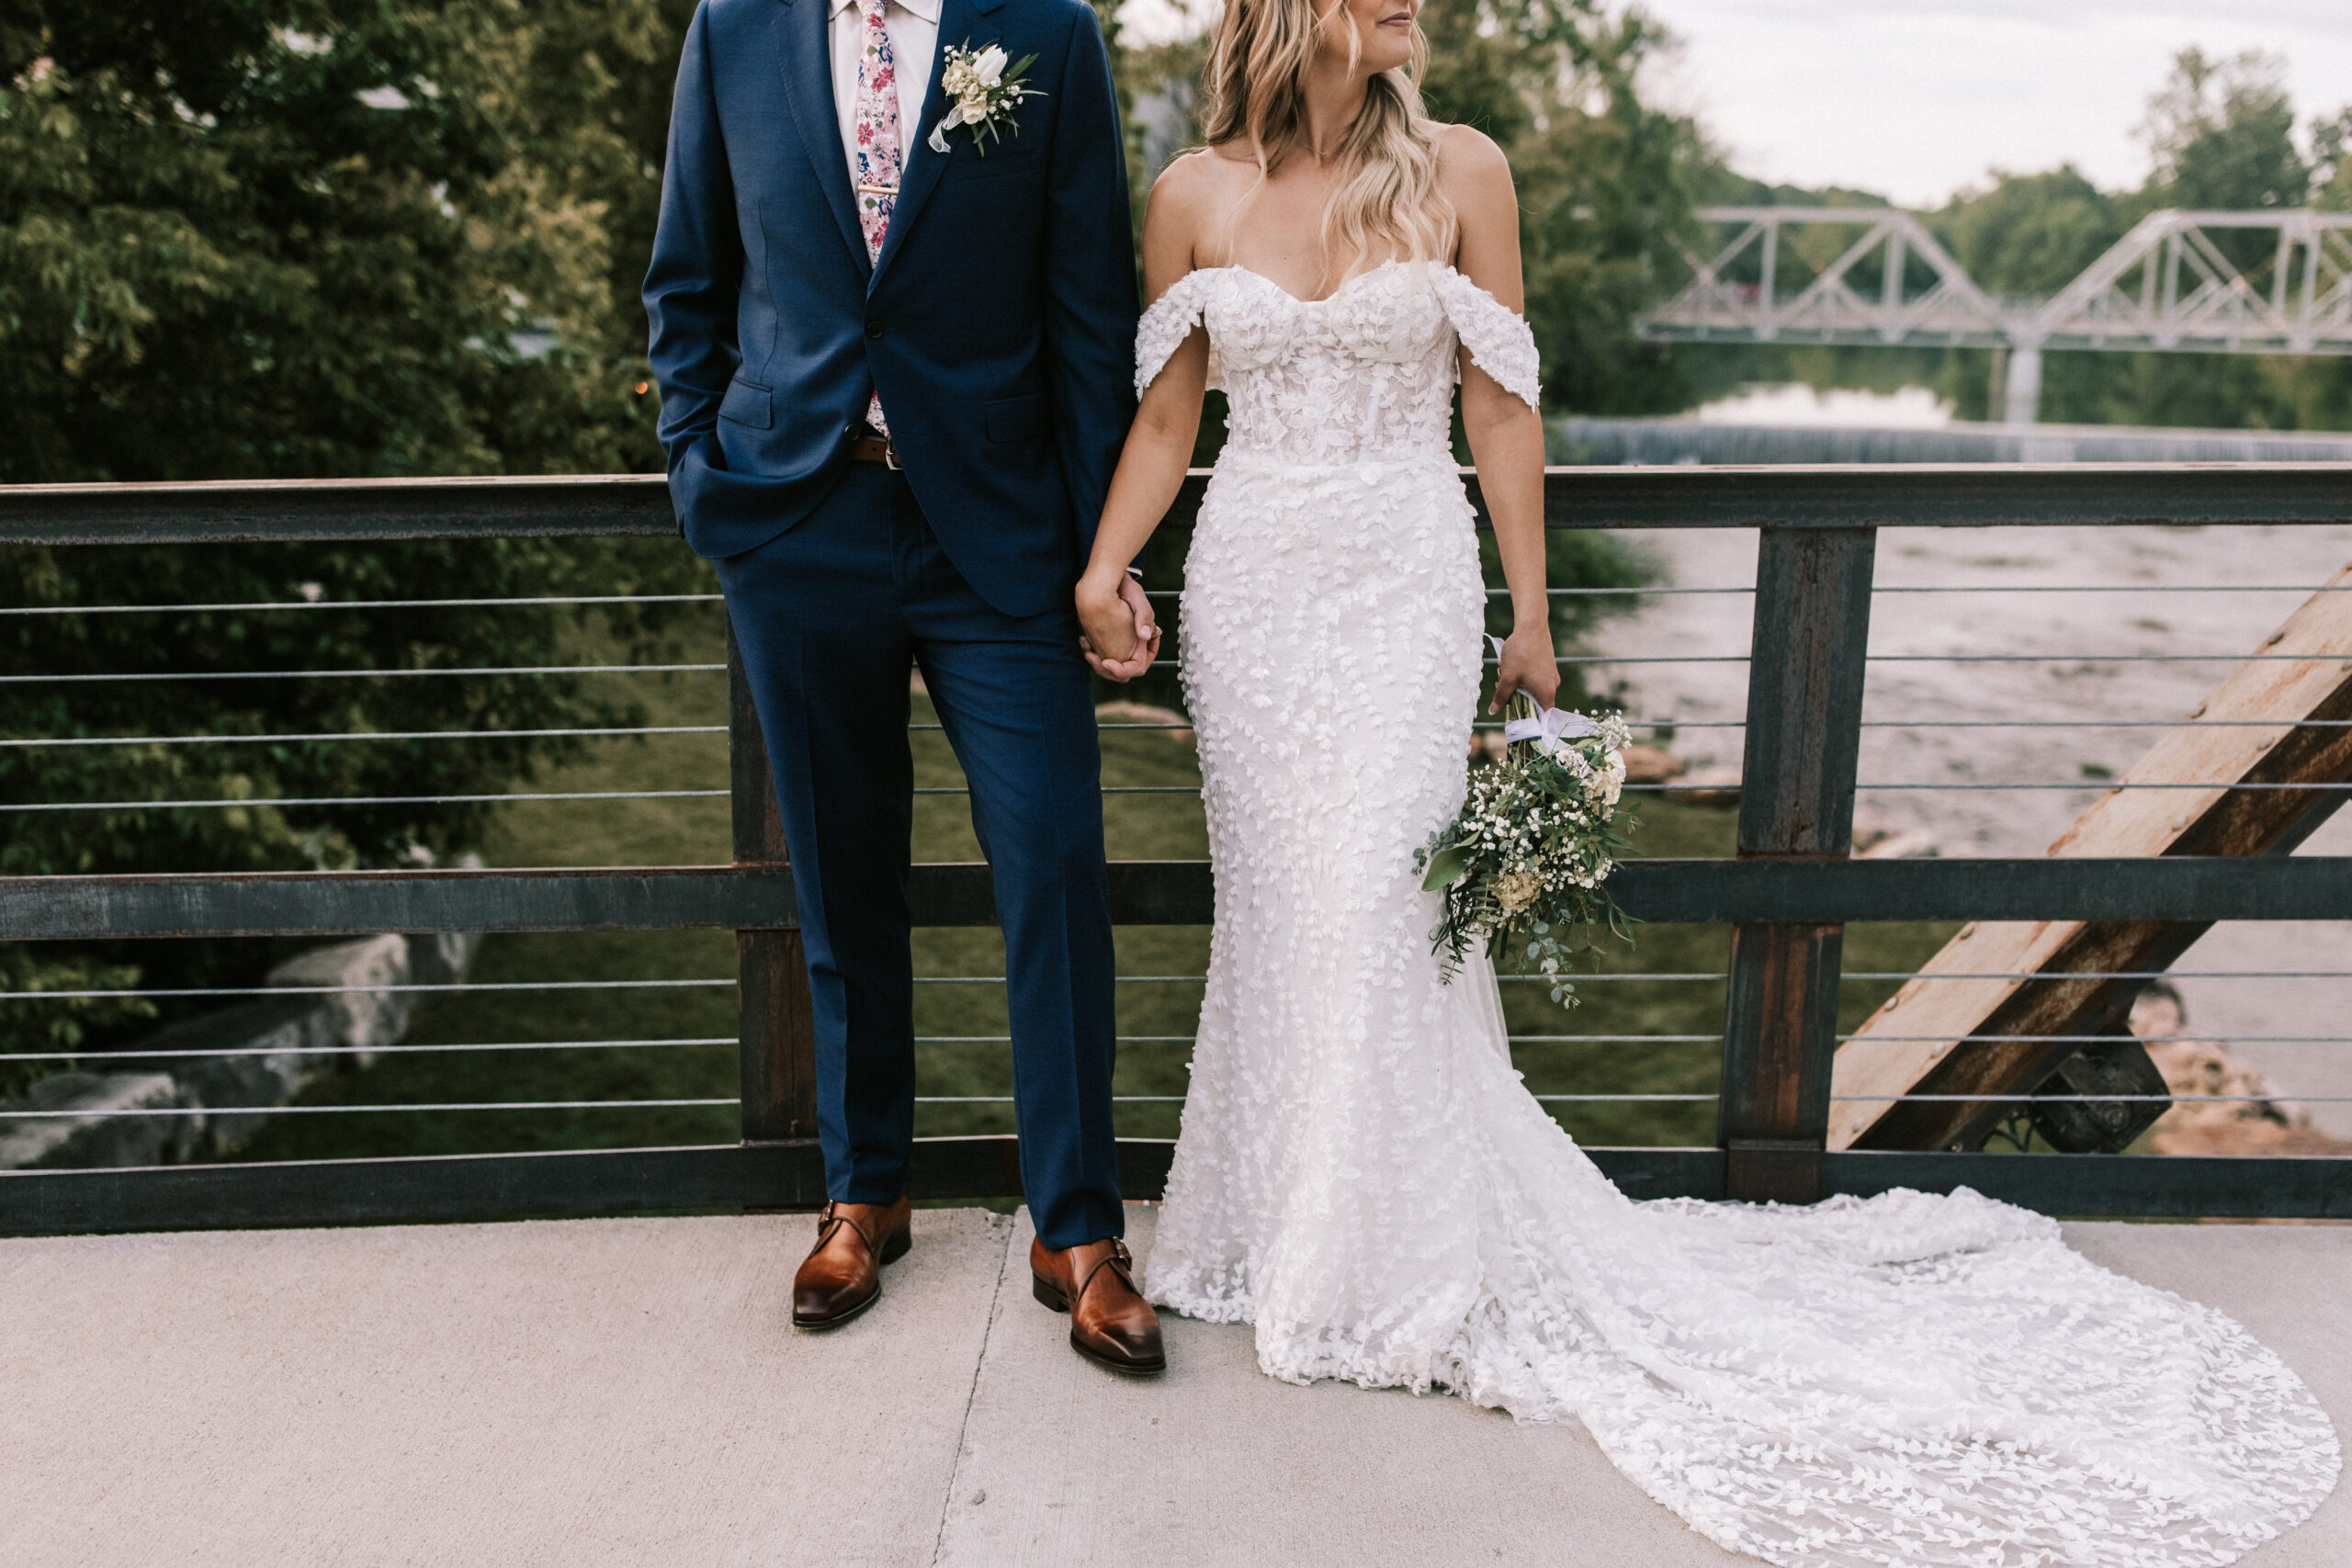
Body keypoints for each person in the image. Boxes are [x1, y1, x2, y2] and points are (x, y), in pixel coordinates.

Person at [1074, 0, 2342, 1557]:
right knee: (1284, 919)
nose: (1417, 5)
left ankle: (1379, 1260)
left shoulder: (1463, 170)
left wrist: (1532, 615)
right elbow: (1167, 411)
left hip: (1404, 591)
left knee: (1379, 918)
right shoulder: (1192, 193)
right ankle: (1271, 1231)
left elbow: (1499, 412)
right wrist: (1106, 569)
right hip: (1258, 595)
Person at [644, 0, 1166, 1374]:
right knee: (842, 872)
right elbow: (687, 277)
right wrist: (703, 473)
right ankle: (866, 1191)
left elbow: (1088, 300)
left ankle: (1080, 1228)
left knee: (1053, 858)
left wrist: (1097, 549)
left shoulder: (1042, 27)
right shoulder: (735, 28)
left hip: (995, 537)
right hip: (795, 521)